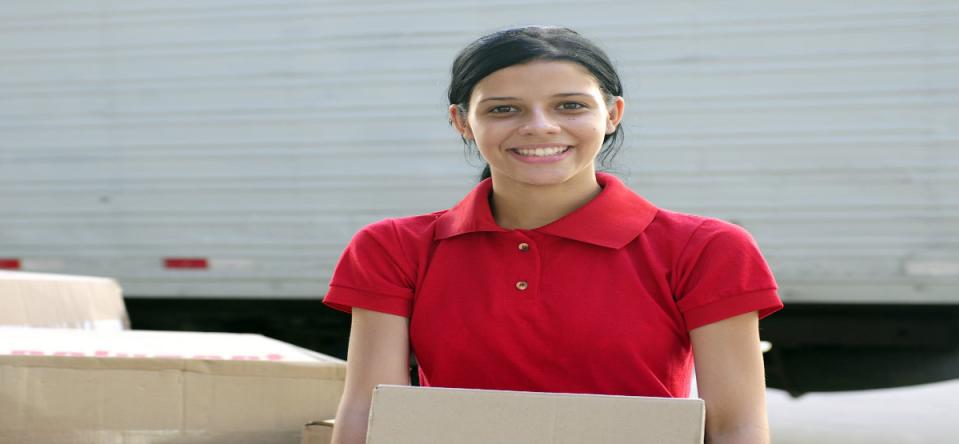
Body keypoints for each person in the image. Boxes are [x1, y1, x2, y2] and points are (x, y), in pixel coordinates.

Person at [324, 26, 783, 444]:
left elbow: (735, 425)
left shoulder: (706, 248)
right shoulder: (392, 248)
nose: (540, 126)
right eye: (504, 109)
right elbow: (369, 411)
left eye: (570, 105)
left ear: (612, 114)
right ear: (462, 122)